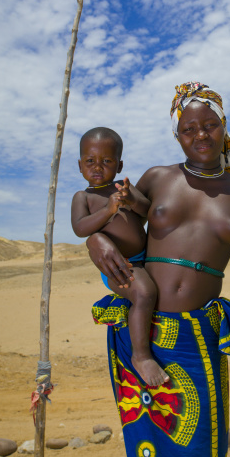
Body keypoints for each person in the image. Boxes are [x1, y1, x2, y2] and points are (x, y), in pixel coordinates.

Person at [88, 83, 230, 457]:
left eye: (209, 125)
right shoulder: (157, 178)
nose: (200, 135)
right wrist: (94, 241)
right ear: (176, 135)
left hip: (197, 344)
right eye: (188, 129)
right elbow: (108, 220)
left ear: (224, 126)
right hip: (138, 335)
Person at [71, 126, 169, 387]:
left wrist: (131, 201)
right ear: (80, 165)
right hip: (120, 267)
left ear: (119, 164)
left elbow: (149, 212)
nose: (97, 167)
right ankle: (141, 356)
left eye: (107, 161)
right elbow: (80, 228)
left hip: (147, 257)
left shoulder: (124, 187)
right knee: (144, 293)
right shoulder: (84, 197)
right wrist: (109, 209)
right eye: (90, 161)